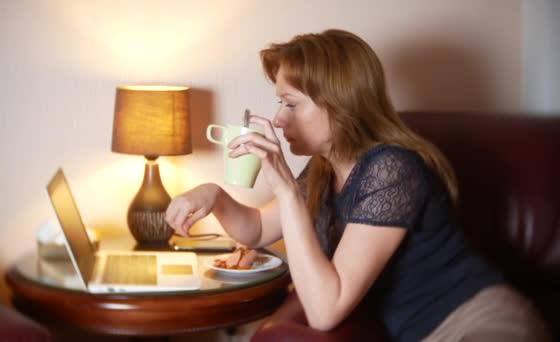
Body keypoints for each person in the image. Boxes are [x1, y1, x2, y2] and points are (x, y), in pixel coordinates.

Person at [164, 29, 550, 341]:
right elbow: (258, 229)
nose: (278, 120)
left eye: (291, 104)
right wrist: (213, 195)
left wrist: (282, 186)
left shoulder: (392, 169)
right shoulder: (320, 170)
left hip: (480, 322)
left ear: (339, 103)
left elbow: (324, 311)